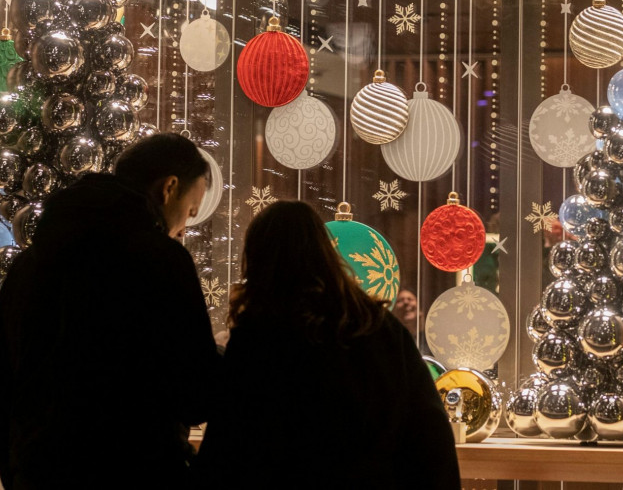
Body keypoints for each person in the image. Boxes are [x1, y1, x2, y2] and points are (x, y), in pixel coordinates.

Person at [0, 133, 220, 490]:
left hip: (40, 473)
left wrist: (19, 470)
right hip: (139, 473)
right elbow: (196, 392)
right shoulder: (162, 261)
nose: (184, 229)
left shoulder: (30, 265)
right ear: (168, 188)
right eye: (189, 212)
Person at [195, 200, 461, 490]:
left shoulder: (257, 337)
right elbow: (430, 433)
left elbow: (228, 441)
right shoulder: (377, 325)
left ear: (257, 259)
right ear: (326, 250)